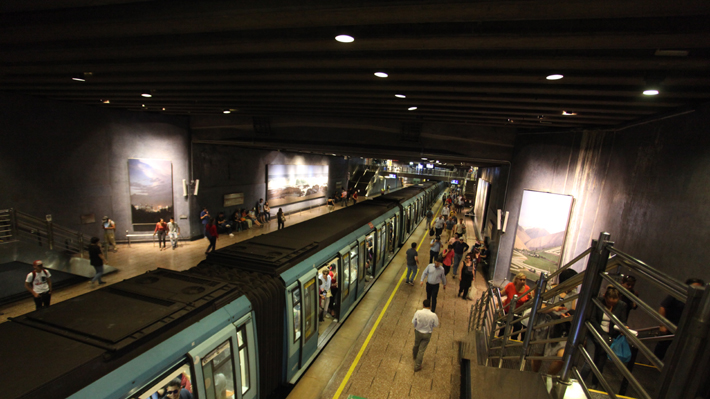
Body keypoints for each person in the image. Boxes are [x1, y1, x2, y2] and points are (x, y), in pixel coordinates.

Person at [654, 277, 705, 360]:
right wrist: (663, 324)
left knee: (681, 350)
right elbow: (663, 308)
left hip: (685, 329)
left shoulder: (698, 302)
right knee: (663, 345)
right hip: (671, 325)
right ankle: (655, 362)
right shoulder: (677, 295)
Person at [588, 286, 629, 389]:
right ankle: (582, 379)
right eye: (609, 303)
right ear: (605, 297)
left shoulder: (622, 306)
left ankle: (594, 383)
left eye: (614, 304)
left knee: (601, 361)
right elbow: (592, 319)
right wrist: (601, 333)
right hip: (595, 333)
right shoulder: (598, 302)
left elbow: (623, 321)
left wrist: (624, 327)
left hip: (609, 336)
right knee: (589, 360)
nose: (611, 306)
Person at [500, 272, 531, 339]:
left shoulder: (527, 289)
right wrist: (497, 292)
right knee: (504, 326)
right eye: (521, 279)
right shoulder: (510, 285)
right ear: (516, 279)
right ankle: (498, 339)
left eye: (524, 280)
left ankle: (513, 340)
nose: (523, 281)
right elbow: (502, 293)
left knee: (518, 326)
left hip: (518, 312)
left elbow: (529, 299)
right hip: (507, 311)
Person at [412, 299, 439, 372]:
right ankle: (417, 366)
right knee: (421, 350)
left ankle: (414, 356)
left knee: (416, 344)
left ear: (423, 305)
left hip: (418, 332)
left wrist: (416, 327)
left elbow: (413, 321)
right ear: (430, 306)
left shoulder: (418, 312)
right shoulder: (433, 315)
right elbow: (436, 324)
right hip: (427, 333)